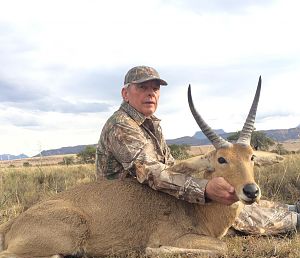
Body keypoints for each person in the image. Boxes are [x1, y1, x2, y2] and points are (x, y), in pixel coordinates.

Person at [96, 65, 300, 235]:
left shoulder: (150, 124)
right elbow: (151, 173)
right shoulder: (121, 125)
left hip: (156, 197)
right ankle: (294, 220)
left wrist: (204, 172)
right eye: (142, 87)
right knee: (226, 210)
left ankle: (290, 209)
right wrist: (204, 189)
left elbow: (171, 168)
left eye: (155, 88)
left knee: (227, 201)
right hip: (130, 208)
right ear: (125, 94)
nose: (151, 93)